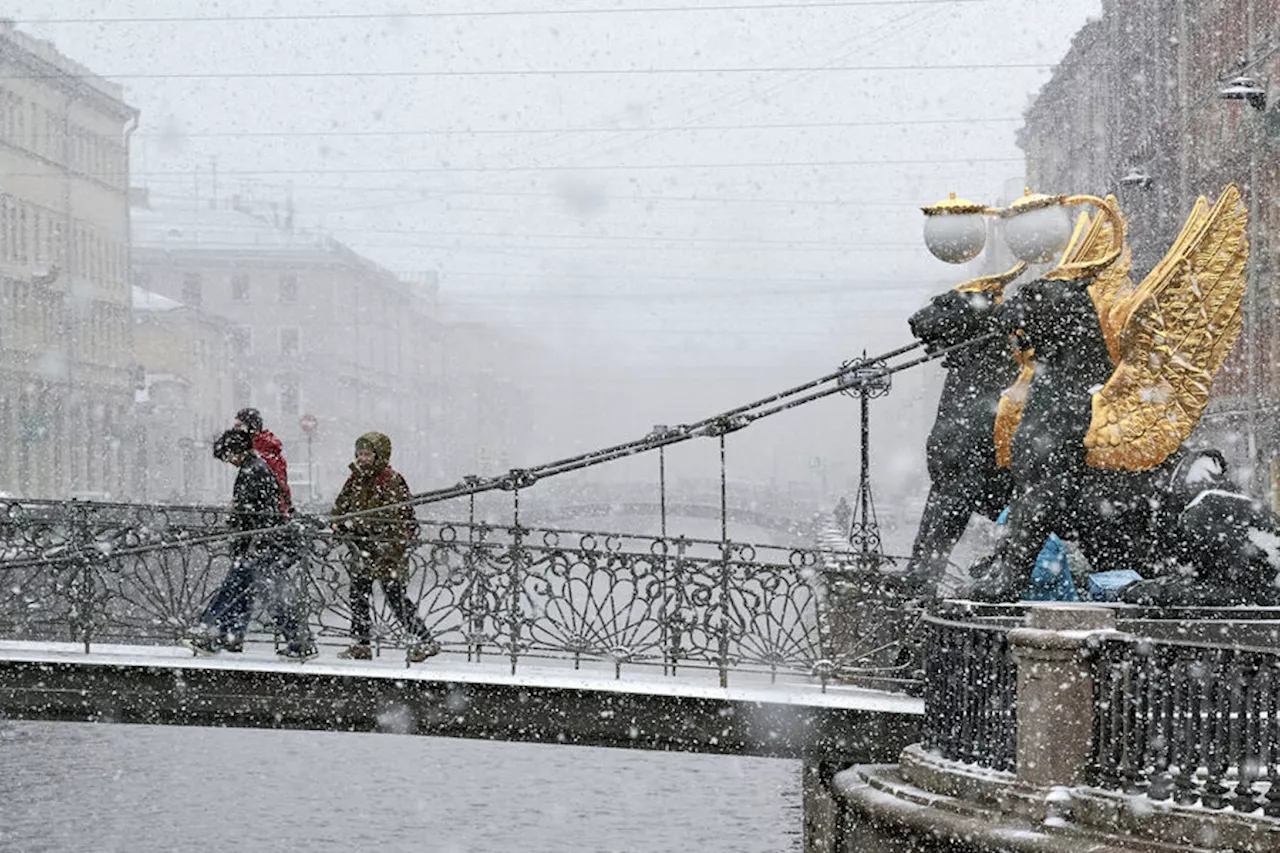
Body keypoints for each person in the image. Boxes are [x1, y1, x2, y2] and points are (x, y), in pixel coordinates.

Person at [182, 429, 316, 660]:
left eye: (227, 455)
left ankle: (210, 633)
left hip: (261, 545)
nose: (227, 461)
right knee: (259, 593)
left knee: (245, 590)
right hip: (266, 544)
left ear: (237, 451)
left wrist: (234, 514)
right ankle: (220, 636)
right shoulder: (256, 467)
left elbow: (250, 512)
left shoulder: (252, 471)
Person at [331, 431, 440, 662]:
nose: (362, 458)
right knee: (358, 594)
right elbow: (341, 505)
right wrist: (338, 522)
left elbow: (399, 518)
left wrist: (382, 540)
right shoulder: (356, 478)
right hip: (364, 548)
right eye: (360, 454)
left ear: (379, 455)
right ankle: (361, 644)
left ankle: (424, 639)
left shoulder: (391, 480)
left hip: (388, 551)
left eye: (367, 454)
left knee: (395, 597)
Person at [234, 407, 292, 516]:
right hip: (270, 511)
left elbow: (269, 488)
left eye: (238, 427)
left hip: (266, 514)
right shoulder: (264, 450)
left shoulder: (262, 454)